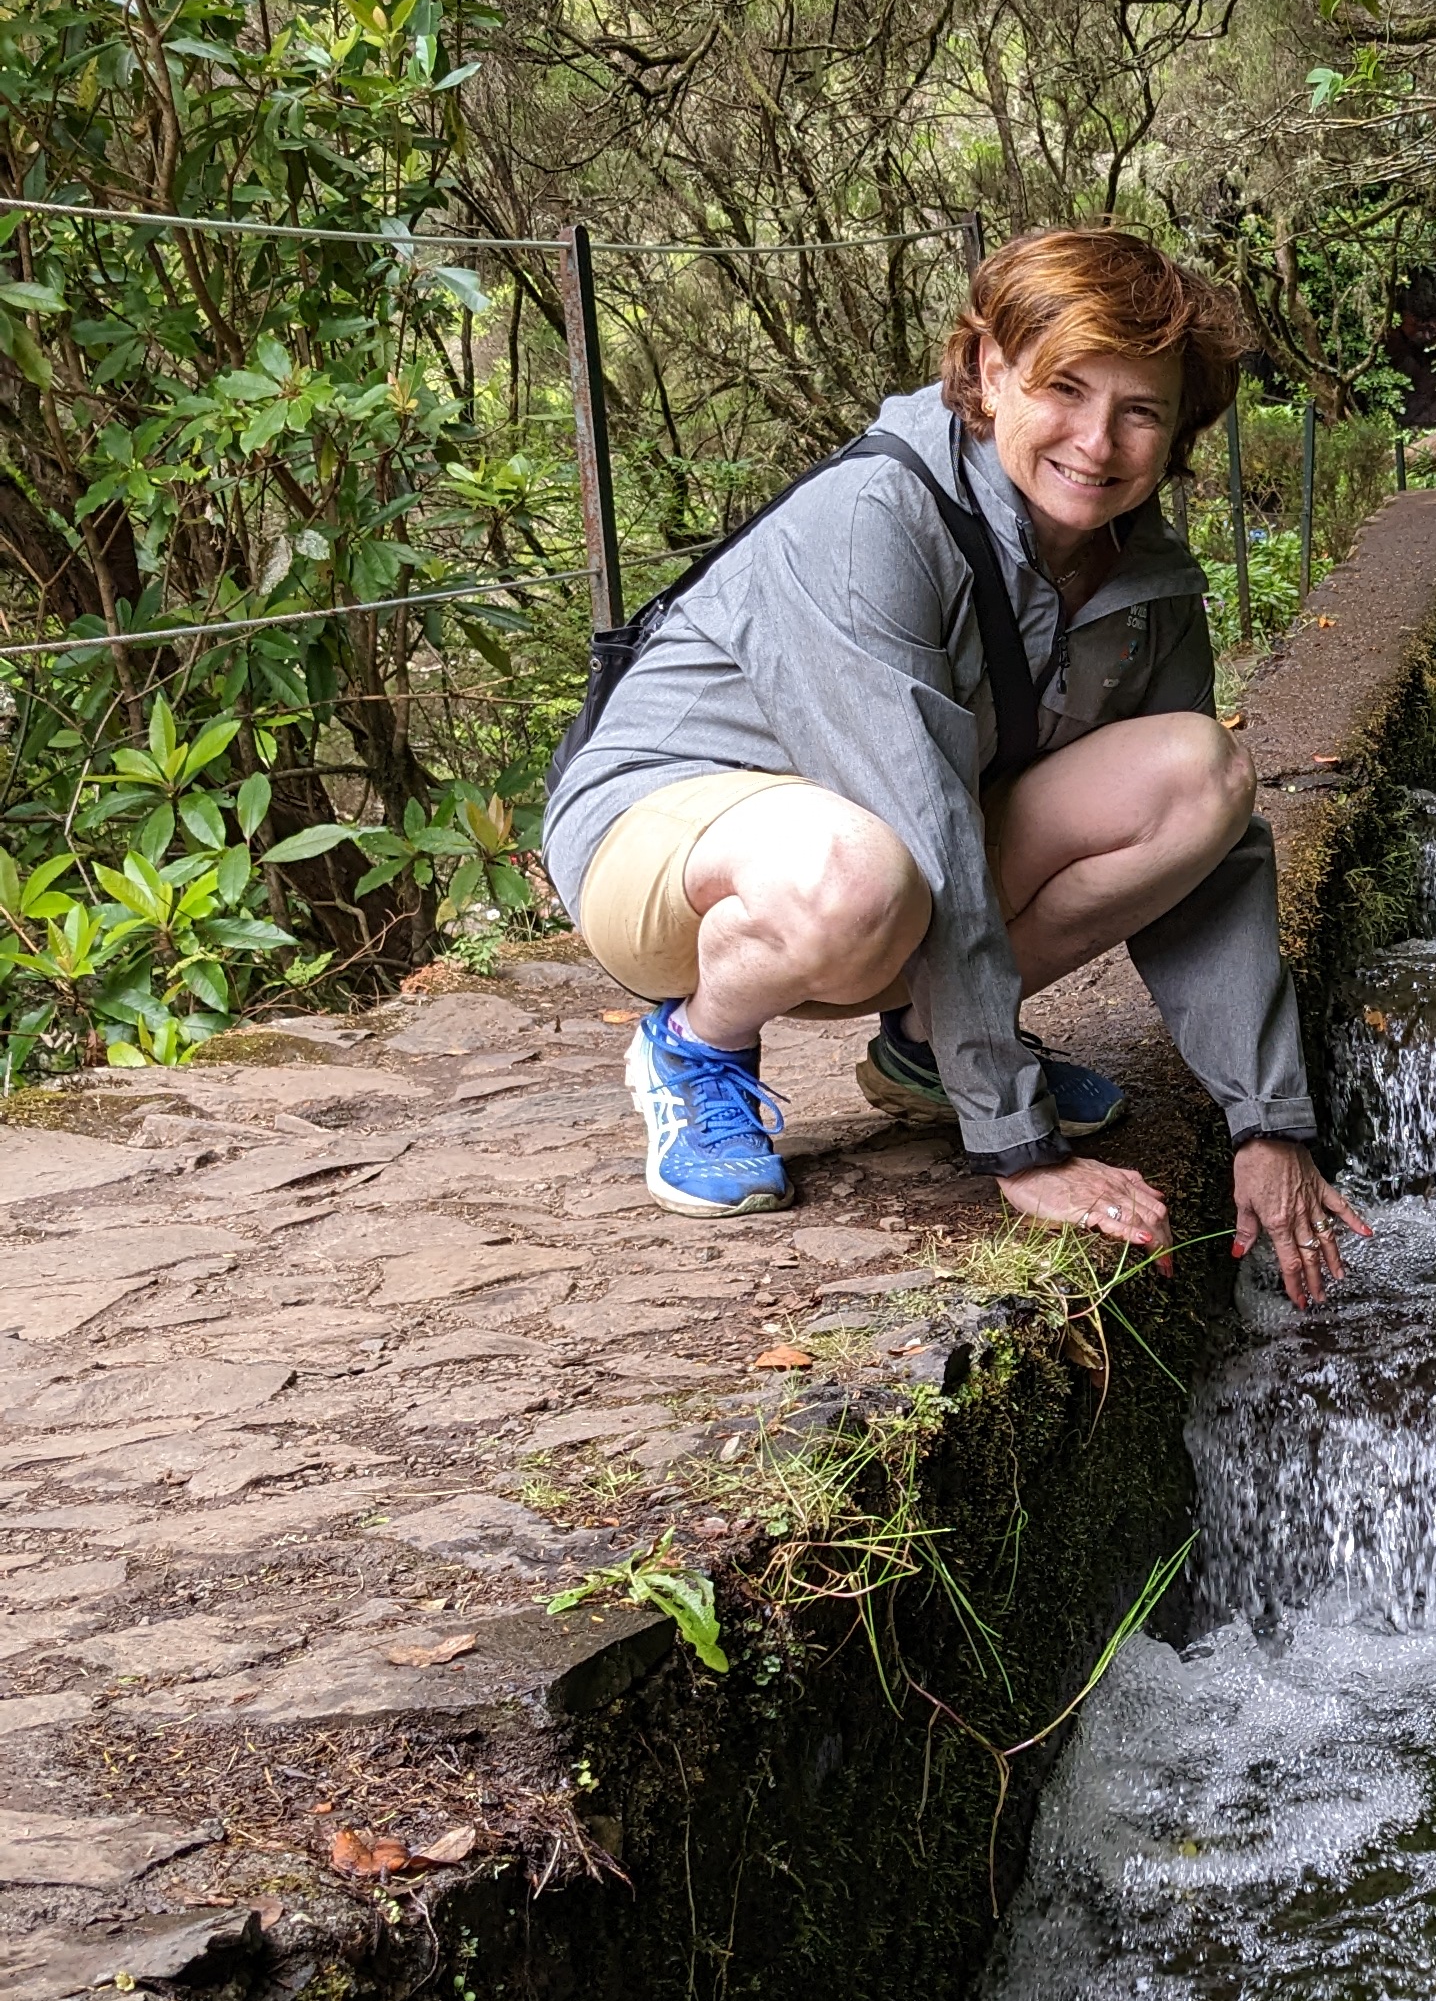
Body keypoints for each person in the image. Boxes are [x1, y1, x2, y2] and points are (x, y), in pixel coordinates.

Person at [538, 225, 1370, 1305]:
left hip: (884, 863)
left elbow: (1205, 869)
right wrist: (1020, 1144)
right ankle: (697, 1046)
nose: (1098, 441)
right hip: (667, 840)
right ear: (988, 371)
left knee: (1200, 775)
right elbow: (922, 821)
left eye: (1140, 411)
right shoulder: (875, 516)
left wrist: (1265, 1122)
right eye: (1064, 388)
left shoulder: (1143, 570)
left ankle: (929, 1049)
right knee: (858, 873)